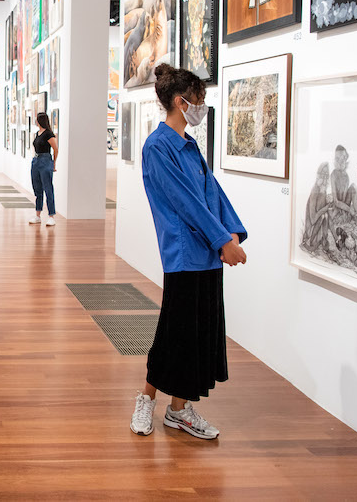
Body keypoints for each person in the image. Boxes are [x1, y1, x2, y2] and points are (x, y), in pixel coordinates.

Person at [131, 63, 247, 440]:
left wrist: (231, 231)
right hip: (184, 253)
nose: (201, 107)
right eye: (198, 100)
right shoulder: (158, 146)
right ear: (181, 102)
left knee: (196, 335)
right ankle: (147, 398)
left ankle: (178, 410)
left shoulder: (190, 146)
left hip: (207, 253)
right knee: (174, 332)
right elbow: (185, 203)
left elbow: (211, 193)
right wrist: (222, 241)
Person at [29, 112, 59, 226]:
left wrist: (53, 163)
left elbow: (55, 149)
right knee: (37, 189)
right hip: (36, 161)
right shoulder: (38, 133)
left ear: (40, 120)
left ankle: (51, 216)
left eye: (37, 119)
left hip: (45, 161)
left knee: (48, 188)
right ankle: (38, 215)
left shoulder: (48, 134)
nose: (35, 121)